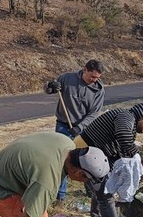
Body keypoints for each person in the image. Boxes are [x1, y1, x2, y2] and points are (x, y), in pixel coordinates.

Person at [79, 101, 143, 217]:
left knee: (102, 190)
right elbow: (123, 135)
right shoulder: (126, 116)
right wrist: (135, 154)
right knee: (105, 194)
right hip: (84, 153)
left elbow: (118, 148)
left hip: (93, 155)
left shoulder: (129, 121)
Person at [44, 59, 105, 202]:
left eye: (97, 78)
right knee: (63, 160)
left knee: (87, 160)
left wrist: (80, 127)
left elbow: (94, 113)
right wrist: (50, 86)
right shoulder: (66, 78)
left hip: (84, 129)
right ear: (85, 70)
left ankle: (91, 192)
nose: (94, 80)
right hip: (63, 126)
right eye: (92, 77)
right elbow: (49, 90)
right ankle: (60, 196)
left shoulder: (98, 90)